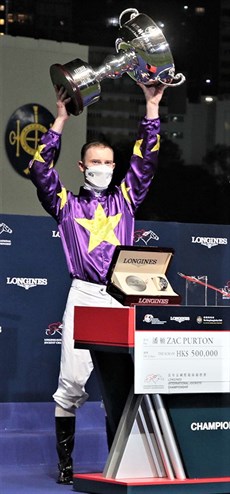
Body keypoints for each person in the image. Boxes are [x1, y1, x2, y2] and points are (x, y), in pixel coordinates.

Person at [29, 81, 165, 484]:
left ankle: (119, 463)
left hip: (124, 297)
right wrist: (61, 119)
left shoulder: (126, 198)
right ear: (82, 167)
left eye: (108, 162)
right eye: (95, 162)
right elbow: (38, 169)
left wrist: (152, 104)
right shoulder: (64, 204)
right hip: (84, 295)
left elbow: (148, 160)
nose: (102, 168)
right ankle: (66, 465)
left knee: (121, 386)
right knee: (71, 382)